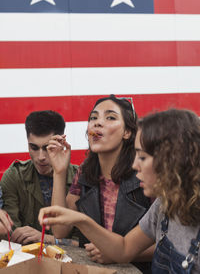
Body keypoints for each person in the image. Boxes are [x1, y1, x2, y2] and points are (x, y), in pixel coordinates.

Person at [39, 108, 200, 273]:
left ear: (173, 160)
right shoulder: (163, 206)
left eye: (143, 157)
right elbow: (124, 249)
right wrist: (81, 220)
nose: (135, 165)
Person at [46, 95, 152, 272]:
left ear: (127, 132)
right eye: (93, 118)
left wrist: (119, 253)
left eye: (110, 117)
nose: (97, 123)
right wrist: (59, 172)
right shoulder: (85, 172)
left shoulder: (143, 172)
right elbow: (59, 231)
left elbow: (168, 241)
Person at [0, 110, 78, 245]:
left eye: (48, 147)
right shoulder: (14, 176)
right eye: (34, 147)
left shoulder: (81, 178)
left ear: (61, 142)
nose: (41, 157)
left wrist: (45, 239)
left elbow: (86, 243)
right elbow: (11, 236)